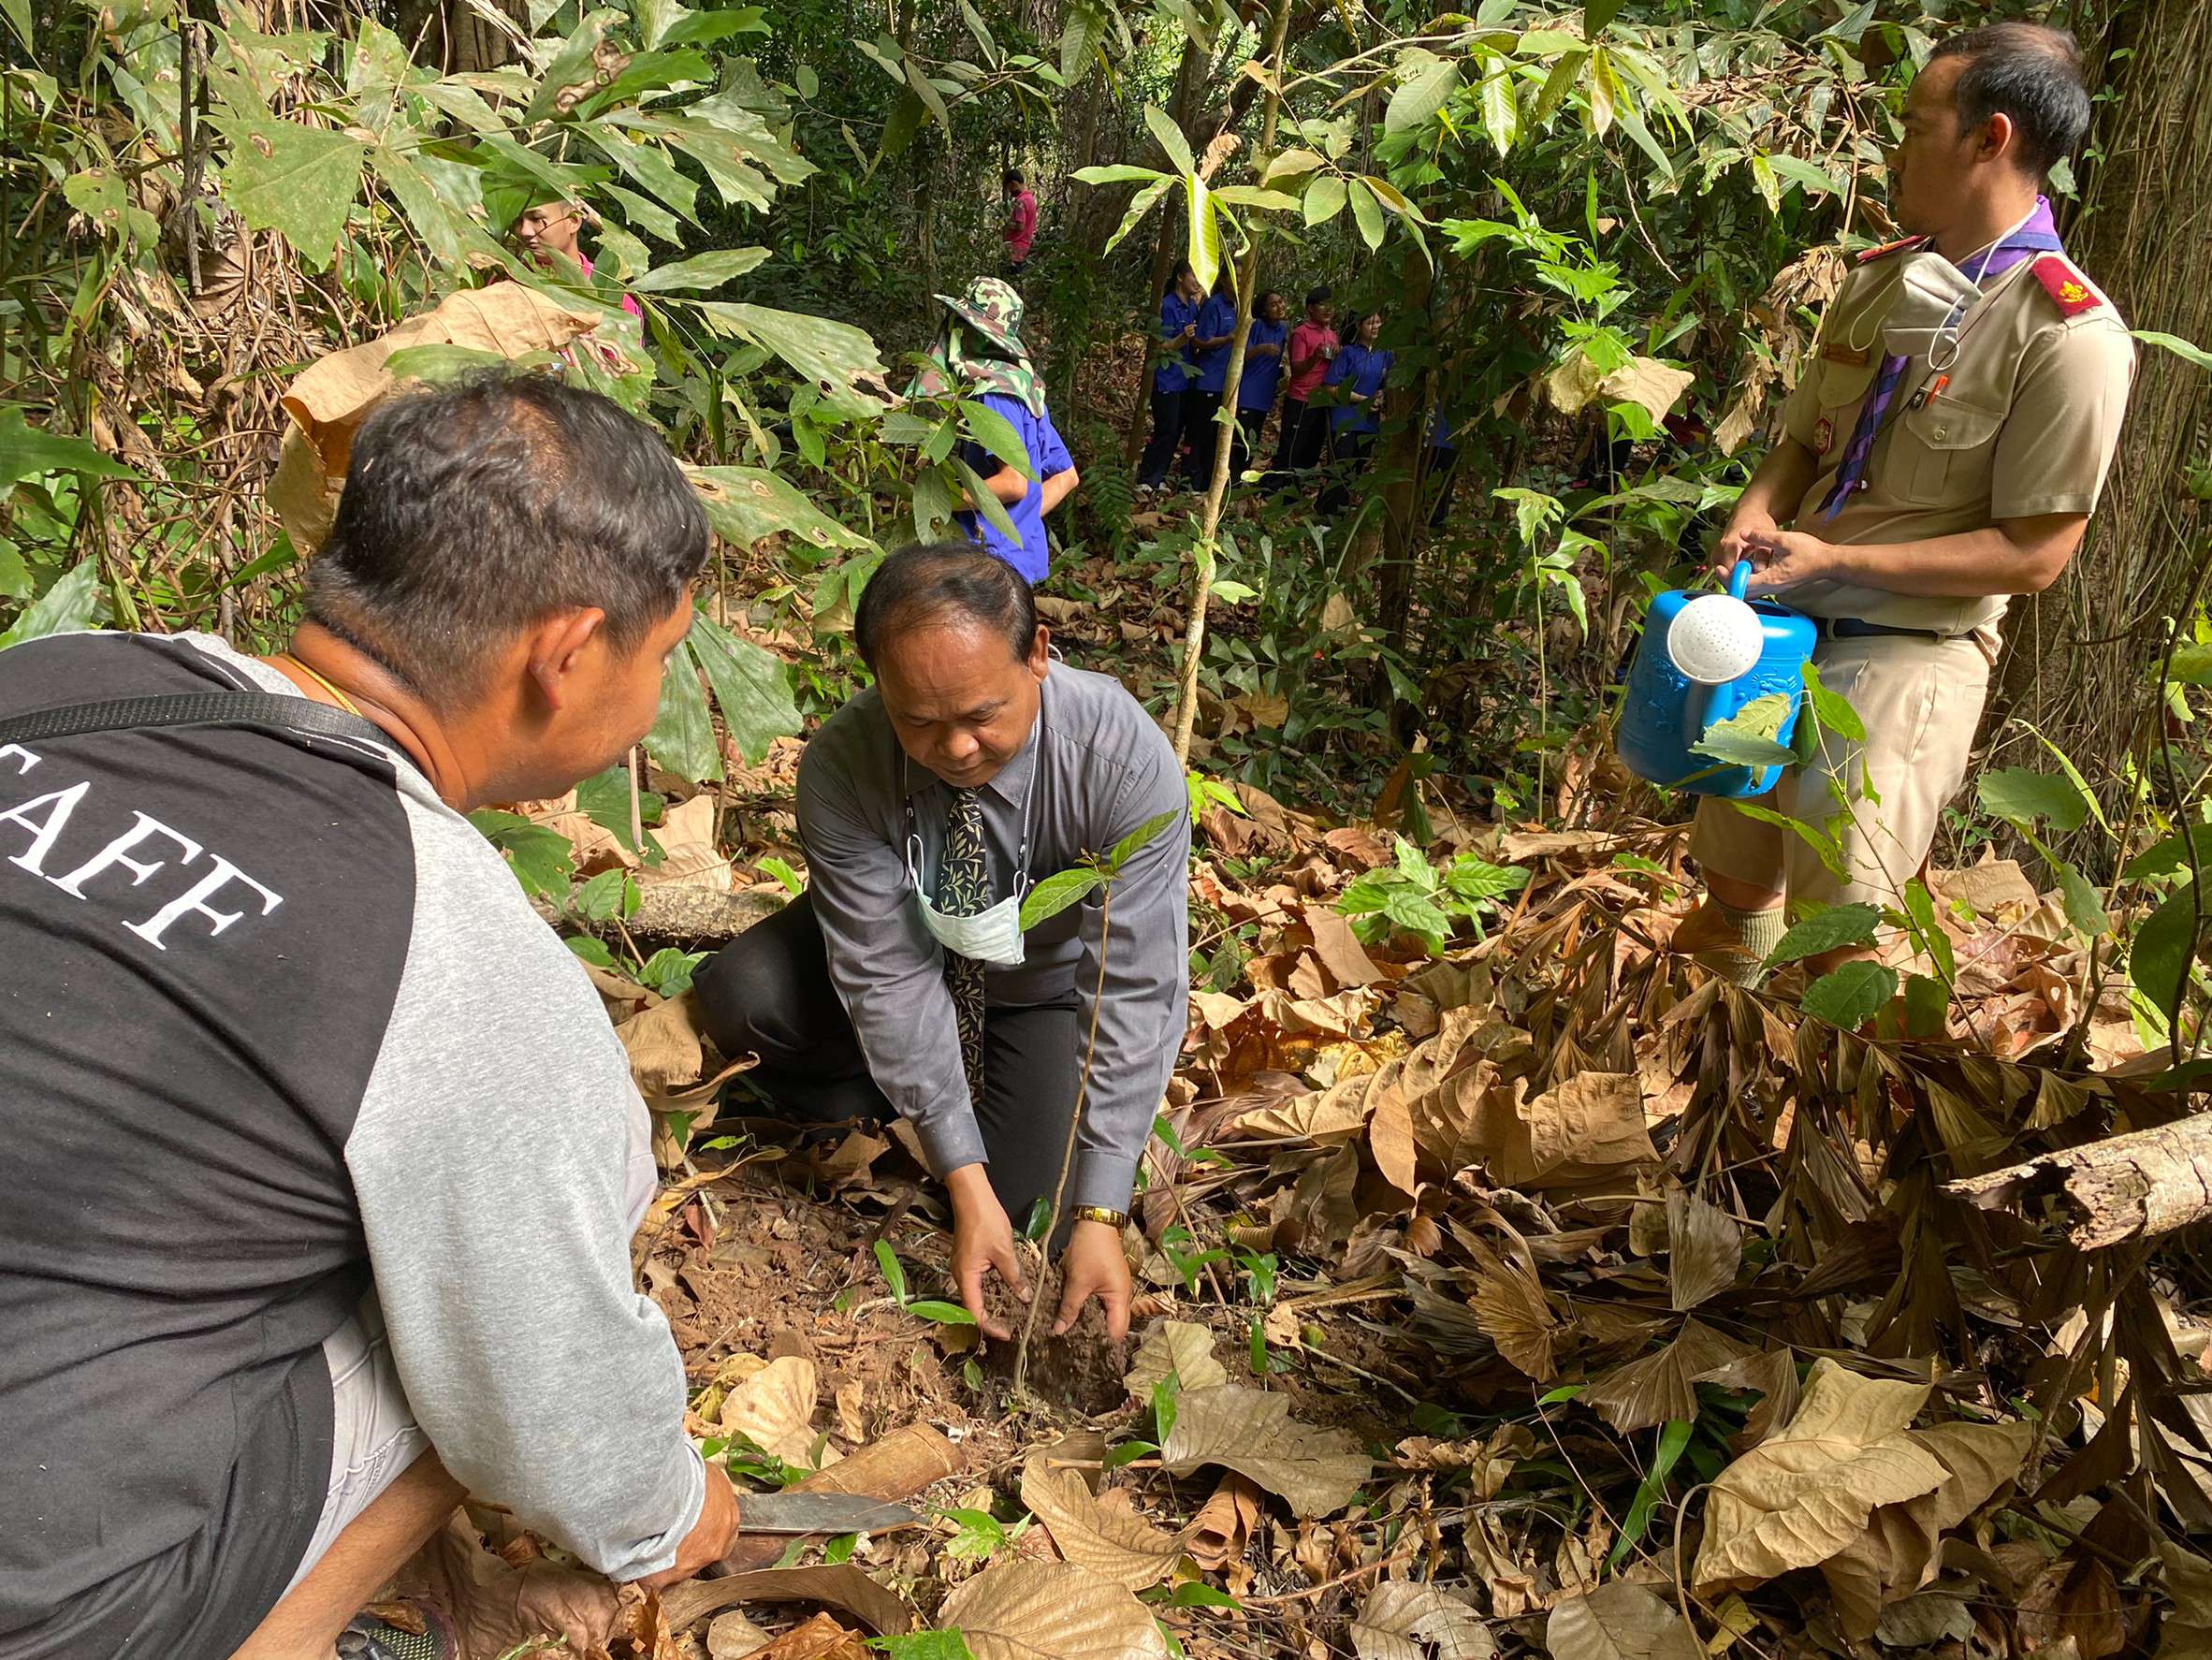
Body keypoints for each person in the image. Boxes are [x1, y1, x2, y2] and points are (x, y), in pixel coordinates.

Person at [0, 372, 741, 1660]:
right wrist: (673, 1510)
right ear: (568, 655)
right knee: (476, 1329)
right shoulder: (455, 951)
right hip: (46, 1600)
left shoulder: (53, 677)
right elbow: (556, 1411)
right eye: (663, 655)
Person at [1676, 22, 2134, 985]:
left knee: (1839, 939)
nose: (1894, 149)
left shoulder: (2068, 334)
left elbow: (2035, 555)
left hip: (1902, 659)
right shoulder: (1882, 279)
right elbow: (1804, 444)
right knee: (1731, 887)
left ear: (1989, 139)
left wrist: (1840, 560)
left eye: (1917, 127)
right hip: (1778, 635)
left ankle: (1825, 1083)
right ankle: (1720, 1064)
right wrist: (1755, 511)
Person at [693, 544, 1190, 1343]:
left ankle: (901, 1105)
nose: (957, 748)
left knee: (1038, 1204)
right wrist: (962, 1176)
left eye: (983, 715)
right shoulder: (844, 765)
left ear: (1037, 653)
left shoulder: (1118, 761)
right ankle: (914, 1102)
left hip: (1038, 991)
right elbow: (885, 972)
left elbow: (1134, 983)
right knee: (743, 997)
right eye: (919, 722)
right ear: (878, 684)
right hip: (900, 947)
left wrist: (1103, 1209)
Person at [910, 277, 1079, 586]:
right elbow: (1067, 477)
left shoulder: (992, 394)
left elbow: (1013, 484)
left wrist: (939, 504)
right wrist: (1019, 522)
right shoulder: (1023, 388)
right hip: (1015, 558)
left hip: (988, 562)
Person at [514, 195, 645, 319]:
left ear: (573, 221)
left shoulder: (613, 294)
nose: (524, 231)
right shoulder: (510, 282)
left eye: (536, 219)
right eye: (517, 220)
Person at [1135, 262, 1204, 492]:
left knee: (1175, 430)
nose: (1197, 280)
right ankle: (1146, 478)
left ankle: (1159, 476)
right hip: (1166, 379)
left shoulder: (1192, 307)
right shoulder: (1167, 305)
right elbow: (1159, 346)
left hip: (1185, 380)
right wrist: (1182, 338)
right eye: (1193, 275)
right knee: (1165, 429)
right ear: (1180, 277)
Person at [1317, 310, 1391, 516]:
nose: (1375, 327)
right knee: (1339, 467)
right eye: (1370, 323)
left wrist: (1381, 395)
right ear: (1359, 326)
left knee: (1358, 467)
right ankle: (1325, 513)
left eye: (1378, 322)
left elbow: (1389, 383)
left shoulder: (1386, 354)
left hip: (1369, 422)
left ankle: (1342, 512)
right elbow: (1331, 386)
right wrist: (1362, 399)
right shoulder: (1349, 353)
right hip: (1345, 418)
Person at [1181, 273, 1241, 488]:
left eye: (1242, 277)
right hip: (1208, 379)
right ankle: (1190, 483)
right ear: (1223, 279)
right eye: (1235, 276)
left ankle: (1208, 482)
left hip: (1226, 382)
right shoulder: (1214, 304)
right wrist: (1227, 338)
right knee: (1199, 433)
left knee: (1216, 434)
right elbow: (1199, 340)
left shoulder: (1239, 307)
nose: (1239, 281)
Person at [1273, 286, 1338, 472]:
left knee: (1312, 449)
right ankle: (1275, 484)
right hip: (1300, 399)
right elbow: (1297, 369)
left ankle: (1299, 485)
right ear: (1310, 308)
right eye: (1323, 305)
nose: (1328, 309)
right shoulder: (1301, 333)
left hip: (1321, 401)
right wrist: (1315, 357)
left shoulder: (1332, 335)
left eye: (1331, 305)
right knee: (1291, 448)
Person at [1232, 290, 1290, 478]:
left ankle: (1242, 477)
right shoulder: (1255, 325)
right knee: (1240, 439)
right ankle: (1232, 478)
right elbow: (1242, 354)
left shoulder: (1284, 329)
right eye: (1273, 305)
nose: (1280, 307)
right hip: (1248, 391)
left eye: (1281, 302)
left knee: (1254, 438)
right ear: (1264, 310)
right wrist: (1261, 348)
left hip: (1265, 392)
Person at [1002, 169, 1039, 276]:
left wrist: (1007, 224)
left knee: (1011, 277)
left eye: (1010, 188)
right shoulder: (1030, 199)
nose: (1010, 192)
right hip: (1025, 245)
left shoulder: (1020, 202)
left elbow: (1020, 226)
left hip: (1016, 247)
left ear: (1014, 183)